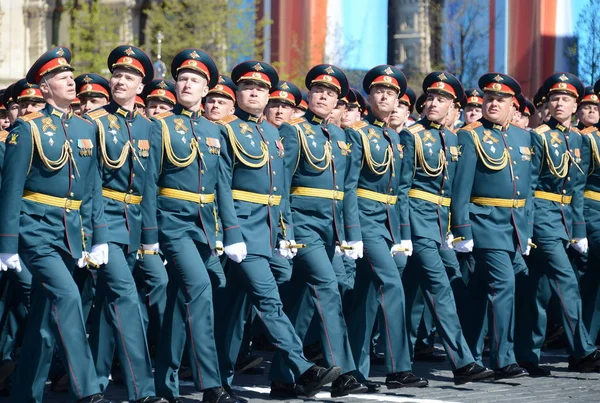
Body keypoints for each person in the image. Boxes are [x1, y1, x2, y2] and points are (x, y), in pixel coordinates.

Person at [214, 60, 341, 400]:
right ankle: (303, 367)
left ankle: (218, 384)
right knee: (269, 300)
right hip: (242, 229)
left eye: (260, 88)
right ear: (237, 93)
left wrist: (284, 232)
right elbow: (222, 186)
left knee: (232, 311)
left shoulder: (271, 132)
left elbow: (280, 188)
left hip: (268, 231)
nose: (253, 92)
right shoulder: (224, 129)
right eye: (246, 87)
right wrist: (230, 231)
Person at [0, 46, 111, 403]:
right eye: (60, 77)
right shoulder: (27, 128)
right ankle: (88, 390)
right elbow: (12, 189)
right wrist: (7, 244)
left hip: (71, 233)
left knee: (44, 321)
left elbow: (92, 187)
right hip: (36, 231)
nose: (69, 79)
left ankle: (23, 395)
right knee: (67, 297)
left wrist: (99, 237)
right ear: (44, 87)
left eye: (69, 74)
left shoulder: (85, 127)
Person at [150, 48, 242, 403]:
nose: (187, 84)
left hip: (203, 227)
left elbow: (222, 186)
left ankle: (165, 385)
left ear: (207, 90)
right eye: (183, 79)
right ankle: (210, 384)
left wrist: (230, 233)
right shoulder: (160, 126)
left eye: (195, 81)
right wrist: (150, 236)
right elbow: (148, 185)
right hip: (171, 223)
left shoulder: (213, 131)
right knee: (200, 287)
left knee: (181, 299)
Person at [269, 63, 367, 398]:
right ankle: (343, 372)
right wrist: (286, 228)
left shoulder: (343, 137)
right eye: (318, 91)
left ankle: (282, 378)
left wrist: (351, 233)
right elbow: (282, 184)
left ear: (338, 101)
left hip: (330, 229)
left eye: (331, 94)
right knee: (328, 285)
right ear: (308, 95)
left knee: (300, 301)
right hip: (303, 224)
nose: (323, 97)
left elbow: (348, 189)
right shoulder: (293, 131)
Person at [399, 71, 495, 384]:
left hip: (440, 225)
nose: (433, 103)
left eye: (441, 99)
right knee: (440, 288)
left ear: (453, 106)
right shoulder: (410, 135)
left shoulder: (452, 139)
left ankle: (399, 367)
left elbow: (453, 189)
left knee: (415, 296)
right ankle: (463, 362)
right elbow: (401, 188)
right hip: (416, 221)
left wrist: (454, 228)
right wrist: (403, 230)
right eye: (430, 98)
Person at [84, 45, 167, 403]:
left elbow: (149, 187)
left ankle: (96, 382)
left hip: (134, 226)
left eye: (129, 77)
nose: (120, 80)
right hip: (103, 222)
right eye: (117, 74)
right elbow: (88, 183)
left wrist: (149, 238)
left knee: (107, 303)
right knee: (125, 297)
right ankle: (142, 390)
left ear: (141, 86)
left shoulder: (149, 127)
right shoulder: (94, 121)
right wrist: (96, 231)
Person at [343, 64, 431, 391]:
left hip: (387, 222)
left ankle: (353, 370)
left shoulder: (395, 137)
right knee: (392, 286)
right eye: (379, 91)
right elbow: (349, 187)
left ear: (398, 100)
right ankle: (398, 368)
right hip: (365, 221)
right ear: (368, 96)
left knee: (367, 297)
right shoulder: (357, 133)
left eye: (391, 92)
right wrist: (352, 231)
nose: (385, 96)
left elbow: (402, 190)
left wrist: (403, 233)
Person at [516, 72, 600, 375]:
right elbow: (527, 185)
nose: (560, 102)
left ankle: (527, 354)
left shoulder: (579, 139)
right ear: (548, 104)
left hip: (564, 219)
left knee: (539, 290)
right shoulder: (538, 136)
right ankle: (583, 351)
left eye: (566, 98)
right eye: (555, 98)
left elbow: (577, 188)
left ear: (576, 104)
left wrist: (578, 231)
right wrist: (526, 226)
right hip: (541, 216)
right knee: (566, 281)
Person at [451, 72, 530, 379]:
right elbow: (461, 187)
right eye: (489, 98)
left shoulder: (523, 138)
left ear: (513, 105)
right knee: (504, 285)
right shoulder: (470, 135)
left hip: (512, 226)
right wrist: (462, 228)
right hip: (483, 222)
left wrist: (527, 228)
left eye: (501, 100)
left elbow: (527, 188)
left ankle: (467, 358)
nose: (493, 103)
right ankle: (503, 358)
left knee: (478, 292)